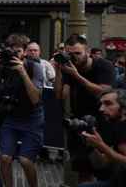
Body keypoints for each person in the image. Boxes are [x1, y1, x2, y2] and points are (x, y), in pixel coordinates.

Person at [53, 34, 116, 183]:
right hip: (79, 123)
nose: (74, 57)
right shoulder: (69, 68)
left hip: (103, 122)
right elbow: (60, 95)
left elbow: (104, 91)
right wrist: (58, 71)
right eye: (70, 53)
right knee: (83, 170)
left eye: (78, 53)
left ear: (87, 51)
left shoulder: (104, 66)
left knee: (103, 170)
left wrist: (77, 75)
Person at [0, 34, 44, 187]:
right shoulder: (3, 66)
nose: (12, 55)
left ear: (24, 52)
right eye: (10, 51)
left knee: (25, 160)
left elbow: (36, 98)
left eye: (17, 52)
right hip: (11, 116)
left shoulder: (34, 66)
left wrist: (22, 72)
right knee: (4, 158)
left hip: (32, 118)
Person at [79, 89, 126, 187]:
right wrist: (92, 146)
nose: (101, 109)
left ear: (124, 108)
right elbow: (101, 164)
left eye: (108, 104)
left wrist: (102, 145)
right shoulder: (115, 126)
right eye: (101, 104)